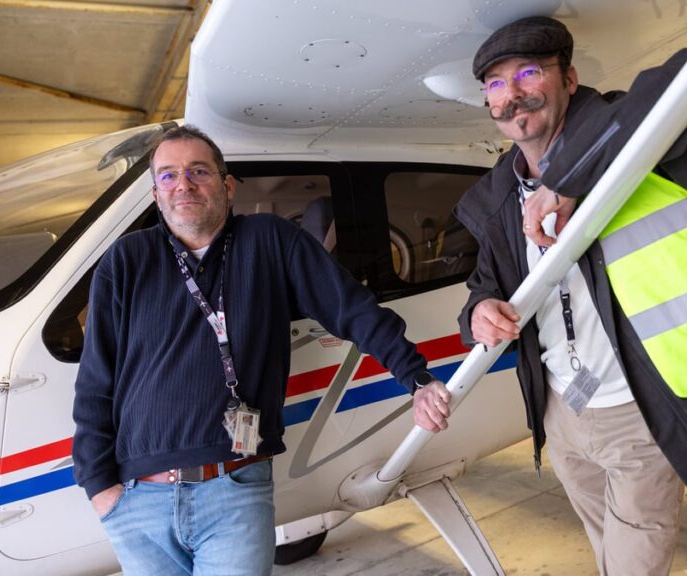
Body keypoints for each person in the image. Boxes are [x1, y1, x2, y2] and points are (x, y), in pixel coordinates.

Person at [428, 16, 687, 576]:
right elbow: (482, 290)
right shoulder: (495, 202)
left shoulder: (644, 146)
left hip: (642, 405)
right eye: (495, 84)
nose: (512, 94)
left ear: (570, 79)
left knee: (634, 562)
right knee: (609, 554)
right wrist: (479, 314)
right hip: (563, 413)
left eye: (529, 73)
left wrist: (570, 178)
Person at [72, 125, 451, 575]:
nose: (184, 184)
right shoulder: (126, 259)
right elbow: (97, 379)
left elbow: (353, 311)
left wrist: (417, 378)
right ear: (156, 194)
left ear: (227, 186)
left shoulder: (270, 239)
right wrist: (100, 490)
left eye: (198, 171)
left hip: (233, 490)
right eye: (169, 176)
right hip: (138, 502)